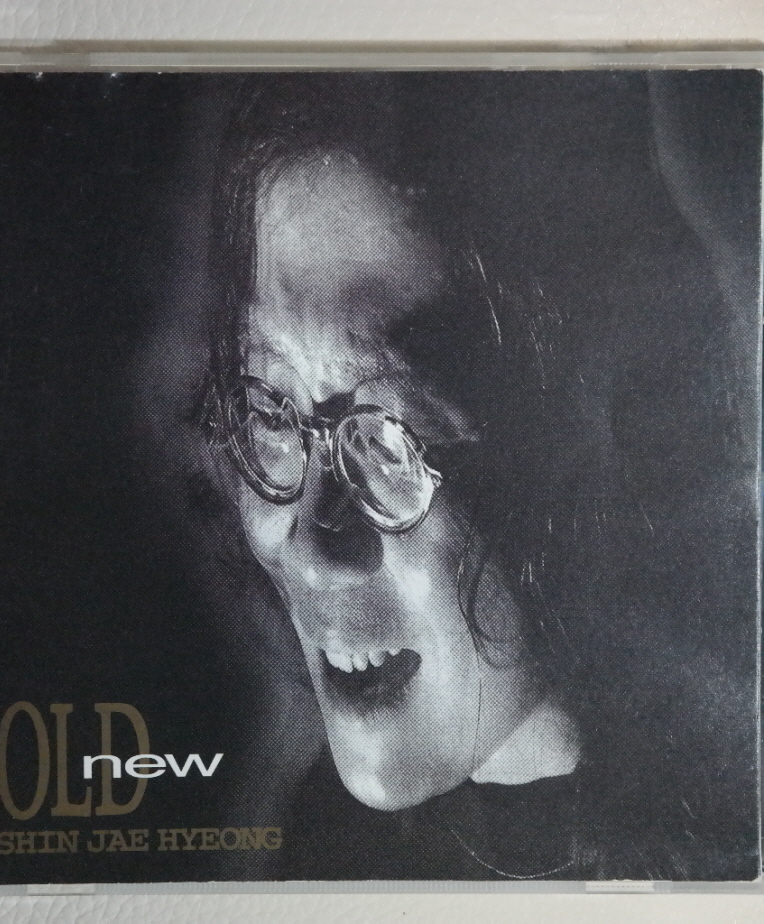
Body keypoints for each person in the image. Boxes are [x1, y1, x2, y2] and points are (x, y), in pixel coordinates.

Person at [181, 71, 759, 880]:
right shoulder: (322, 852)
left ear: (588, 435)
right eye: (269, 410)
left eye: (398, 432)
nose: (313, 547)